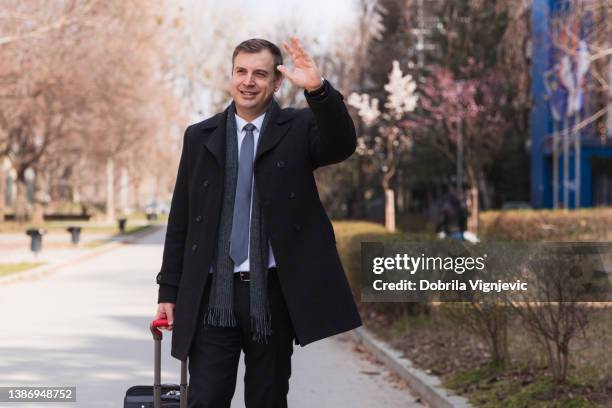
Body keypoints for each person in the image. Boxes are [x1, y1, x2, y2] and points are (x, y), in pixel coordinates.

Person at [154, 37, 362, 407]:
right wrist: (168, 291)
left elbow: (341, 143)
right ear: (232, 75)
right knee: (204, 399)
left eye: (260, 74)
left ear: (276, 82)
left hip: (271, 297)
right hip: (212, 297)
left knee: (267, 399)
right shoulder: (200, 136)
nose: (248, 81)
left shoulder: (297, 129)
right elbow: (183, 219)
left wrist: (318, 90)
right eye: (242, 72)